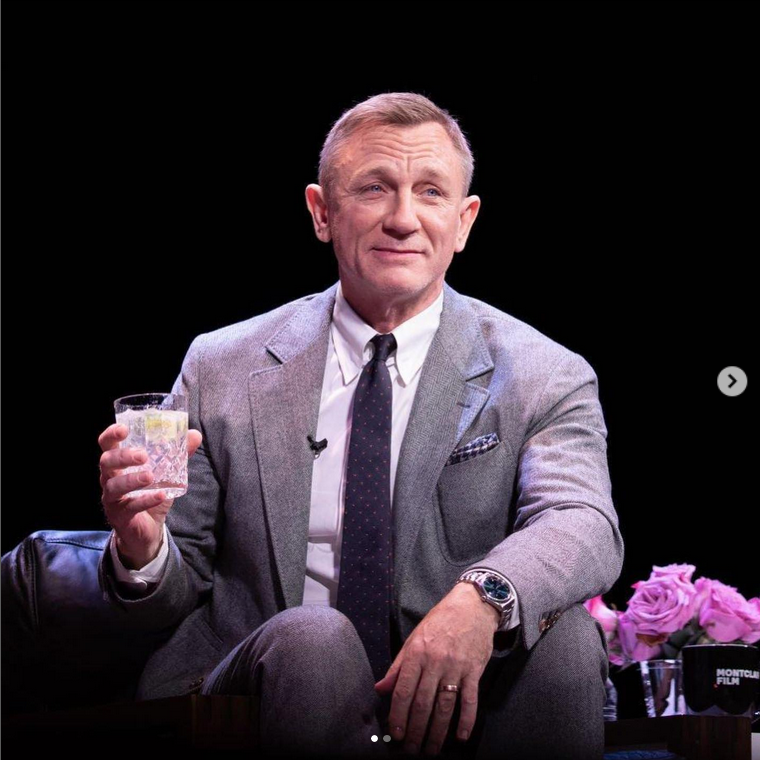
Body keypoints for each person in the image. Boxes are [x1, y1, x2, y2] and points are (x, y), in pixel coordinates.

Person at [98, 92, 624, 760]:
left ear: (463, 221)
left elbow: (581, 520)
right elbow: (172, 588)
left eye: (430, 192)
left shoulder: (545, 373)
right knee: (316, 639)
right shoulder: (219, 364)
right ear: (322, 212)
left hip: (457, 689)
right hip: (260, 678)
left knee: (567, 637)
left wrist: (481, 599)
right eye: (374, 188)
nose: (403, 219)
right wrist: (143, 550)